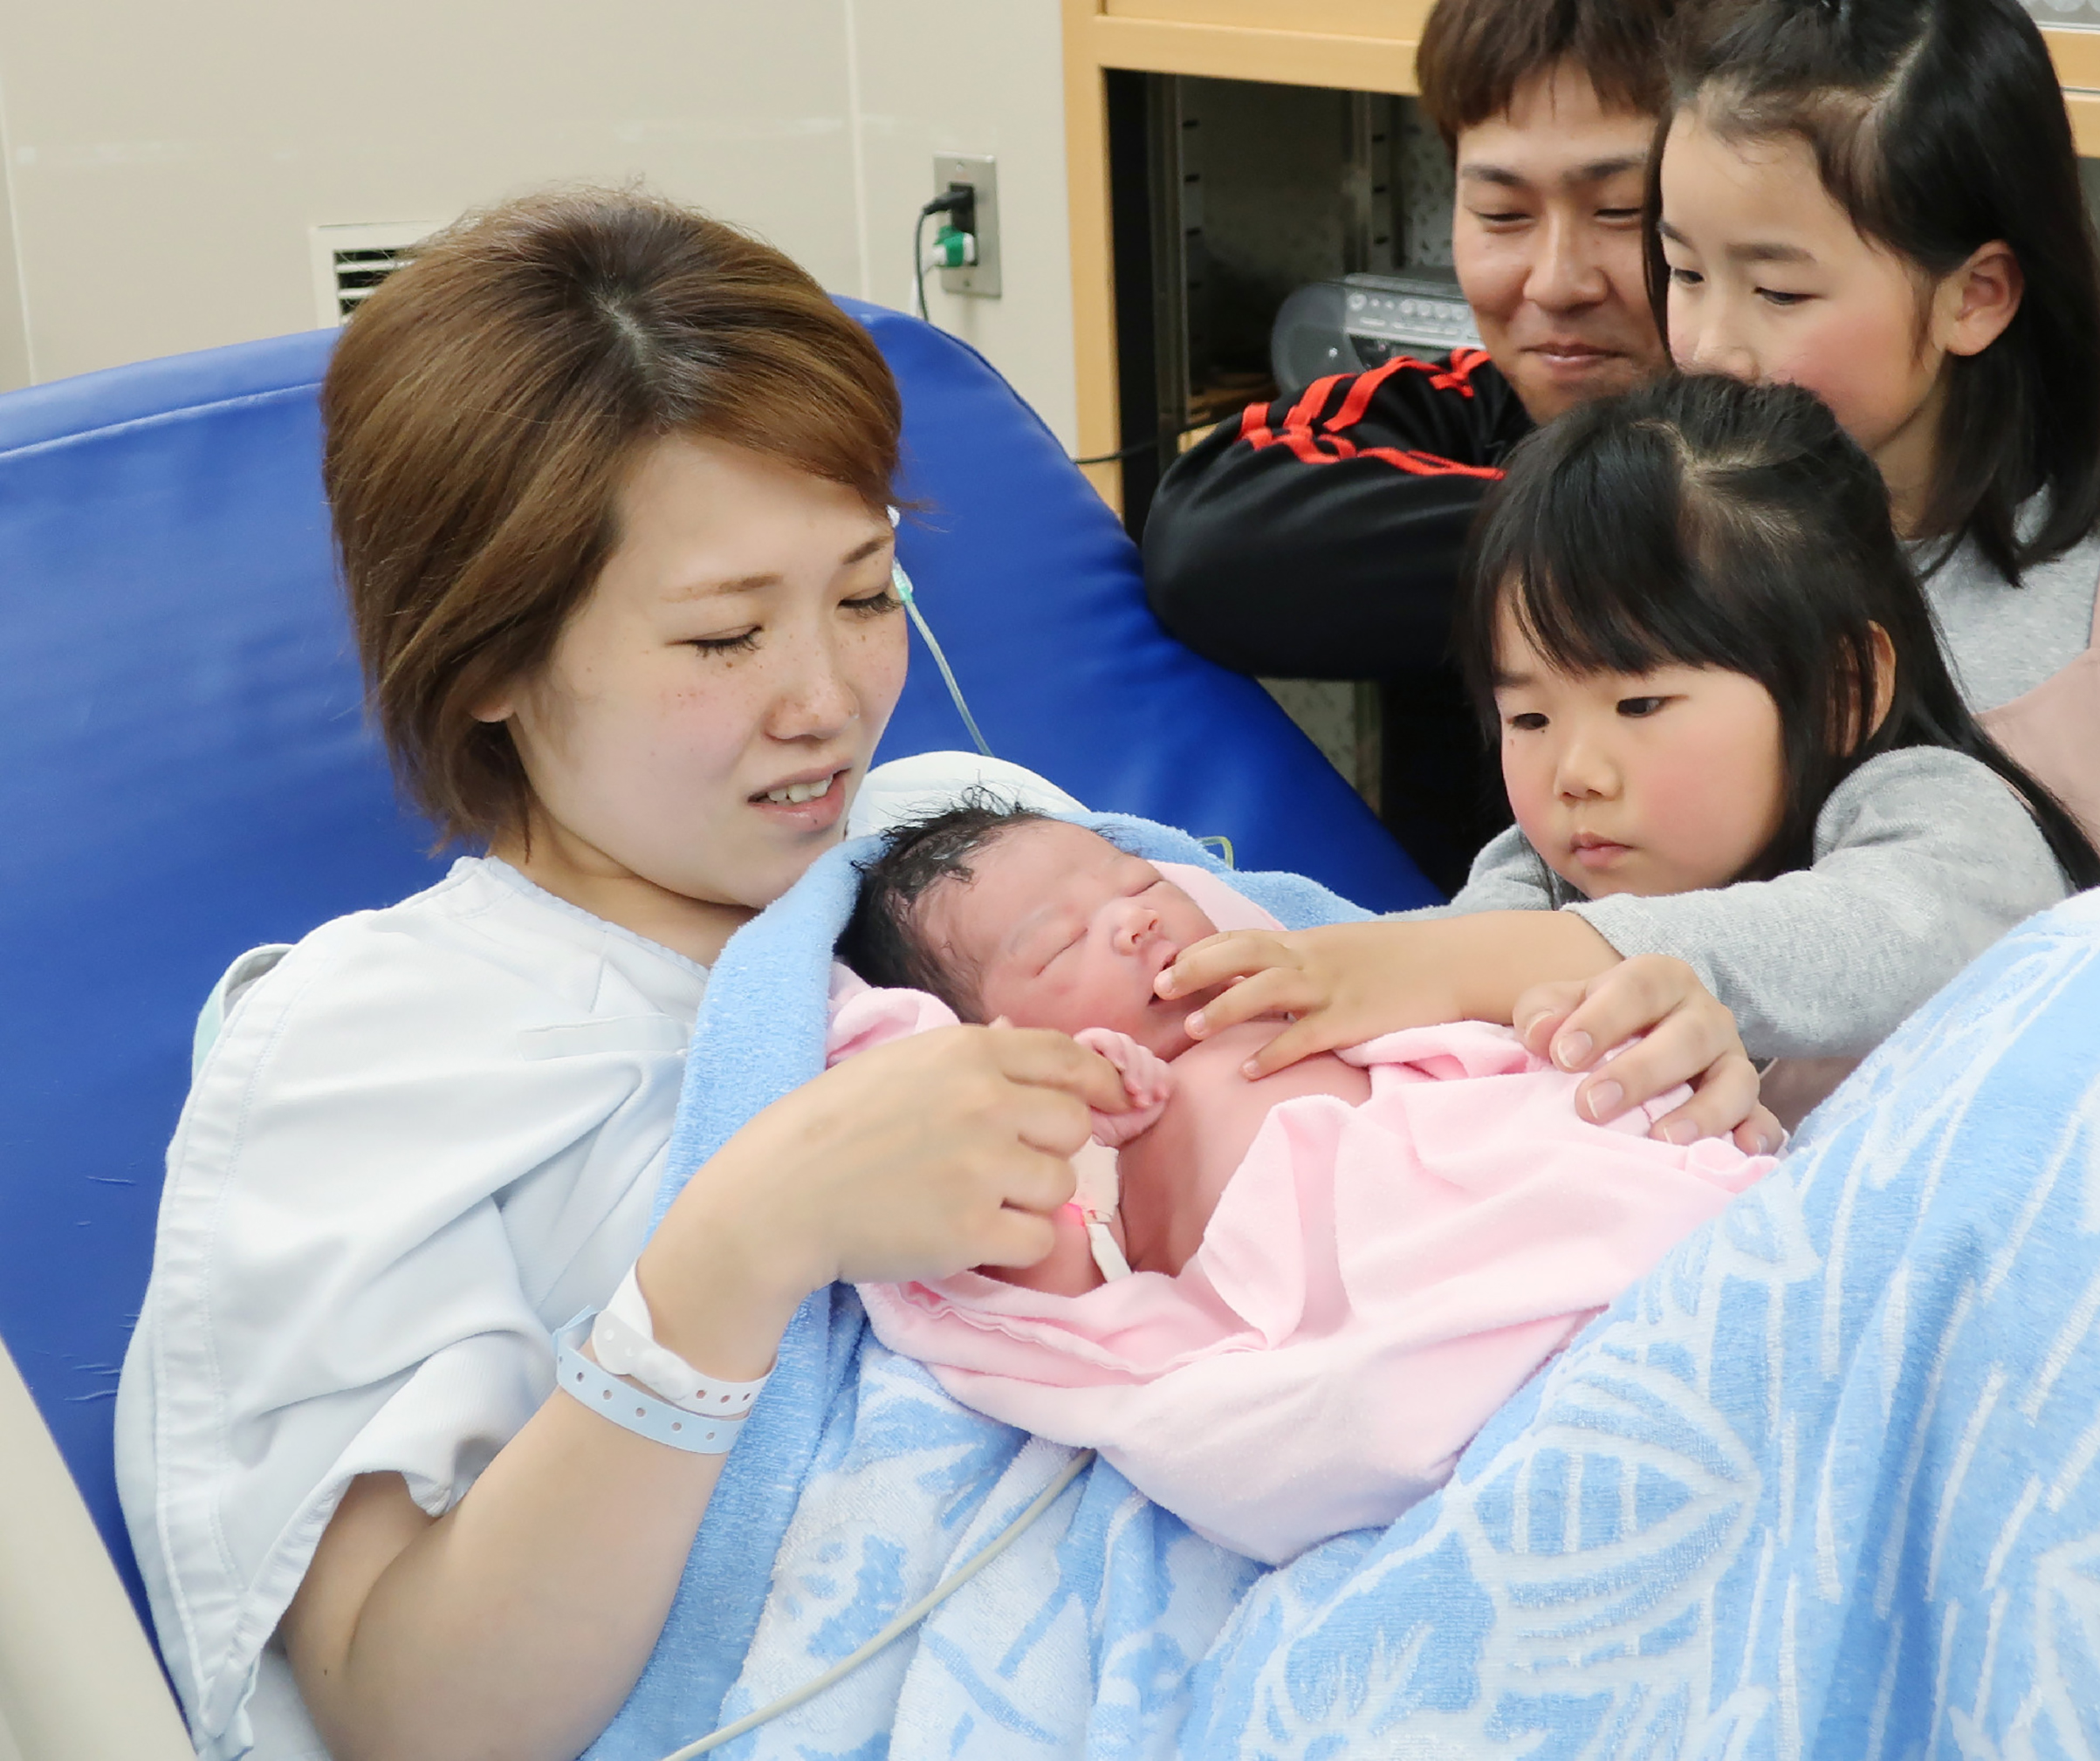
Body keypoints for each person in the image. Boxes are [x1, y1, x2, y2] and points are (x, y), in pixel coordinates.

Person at [113, 188, 1769, 1761]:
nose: (830, 700)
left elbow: (1421, 1065)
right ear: (485, 658)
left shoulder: (999, 860)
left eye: (864, 593)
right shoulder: (375, 1049)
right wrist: (735, 1258)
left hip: (1533, 1468)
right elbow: (400, 1711)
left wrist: (1623, 1048)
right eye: (721, 636)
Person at [830, 803, 1768, 1564]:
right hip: (1387, 1319)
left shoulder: (1317, 982)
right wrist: (1060, 1132)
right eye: (1060, 943)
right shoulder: (1077, 1145)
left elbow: (1483, 1043)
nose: (1136, 915)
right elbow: (1044, 1288)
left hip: (1524, 1196)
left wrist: (1555, 1027)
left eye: (1137, 882)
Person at [1158, 375, 2100, 1120]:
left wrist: (1458, 963)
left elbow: (1874, 937)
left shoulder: (1945, 817)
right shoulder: (1539, 875)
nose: (1576, 774)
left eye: (1640, 703)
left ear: (1844, 689)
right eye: (1527, 719)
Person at [1142, 0, 1673, 889]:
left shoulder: (1831, 451)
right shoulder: (1459, 411)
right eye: (1502, 213)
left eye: (1621, 211)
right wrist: (1659, 532)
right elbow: (1208, 540)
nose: (1556, 281)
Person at [1653, 0, 2100, 881]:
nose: (1708, 347)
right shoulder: (1644, 561)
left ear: (1973, 296)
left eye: (1778, 292)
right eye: (1684, 273)